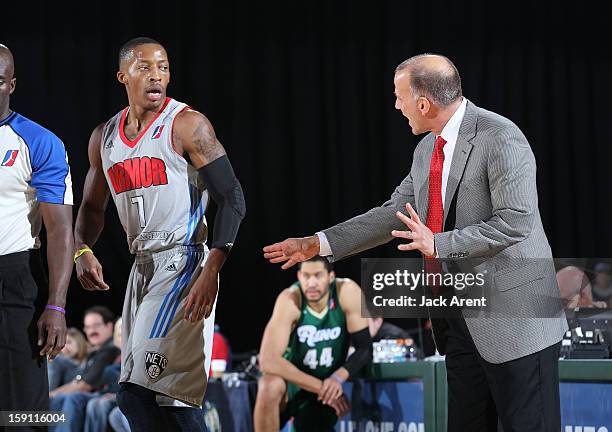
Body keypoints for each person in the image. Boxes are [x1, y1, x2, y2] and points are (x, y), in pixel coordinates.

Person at [264, 54, 568, 431]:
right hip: (458, 320)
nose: (396, 105)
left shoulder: (501, 135)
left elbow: (515, 222)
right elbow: (394, 212)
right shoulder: (426, 149)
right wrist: (319, 243)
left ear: (423, 103)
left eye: (399, 96)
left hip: (517, 320)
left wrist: (438, 244)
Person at [73, 37, 245, 432]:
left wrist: (211, 270)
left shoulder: (187, 124)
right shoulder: (105, 137)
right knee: (165, 401)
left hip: (183, 261)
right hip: (143, 267)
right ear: (123, 76)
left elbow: (233, 198)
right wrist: (82, 249)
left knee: (137, 395)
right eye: (145, 67)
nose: (157, 76)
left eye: (163, 67)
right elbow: (91, 209)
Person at [0, 44, 74, 420]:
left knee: (22, 410)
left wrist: (56, 305)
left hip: (14, 278)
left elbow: (61, 230)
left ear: (11, 84)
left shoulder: (40, 141)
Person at [254, 256, 372, 432]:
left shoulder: (347, 292)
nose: (311, 283)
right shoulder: (290, 299)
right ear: (299, 276)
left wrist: (337, 378)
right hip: (295, 384)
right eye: (306, 276)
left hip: (327, 384)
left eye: (318, 275)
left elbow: (365, 348)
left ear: (331, 277)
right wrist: (322, 388)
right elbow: (268, 360)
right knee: (268, 385)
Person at [49, 306, 120, 432]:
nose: (91, 331)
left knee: (73, 398)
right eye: (87, 327)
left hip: (107, 395)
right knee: (61, 398)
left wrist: (50, 394)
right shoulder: (96, 352)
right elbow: (79, 381)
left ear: (109, 326)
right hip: (97, 395)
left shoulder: (109, 349)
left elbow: (84, 385)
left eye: (96, 325)